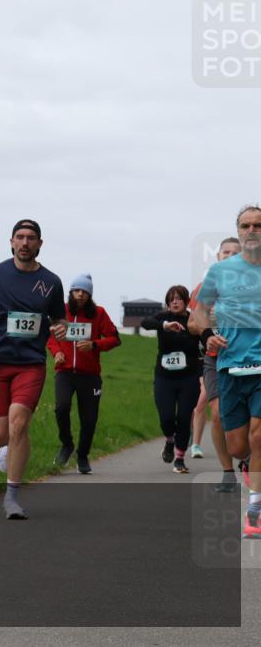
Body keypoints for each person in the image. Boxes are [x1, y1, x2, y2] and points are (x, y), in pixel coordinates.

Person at [0, 219, 67, 519]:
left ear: (40, 244)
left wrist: (60, 329)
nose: (25, 243)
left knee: (19, 423)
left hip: (30, 364)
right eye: (20, 237)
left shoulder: (51, 281)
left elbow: (59, 320)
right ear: (11, 242)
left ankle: (11, 497)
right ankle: (8, 447)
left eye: (31, 238)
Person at [190, 204, 261, 539]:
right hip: (230, 366)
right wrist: (207, 335)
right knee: (237, 446)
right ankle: (245, 465)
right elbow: (199, 313)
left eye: (258, 226)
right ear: (238, 228)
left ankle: (254, 511)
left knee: (258, 437)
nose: (251, 231)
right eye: (245, 225)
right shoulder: (220, 273)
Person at [45, 274, 121, 474]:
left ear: (90, 295)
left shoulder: (98, 313)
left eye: (85, 292)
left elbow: (115, 339)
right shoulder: (59, 311)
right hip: (65, 372)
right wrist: (57, 352)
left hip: (90, 375)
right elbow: (50, 336)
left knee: (89, 419)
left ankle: (82, 456)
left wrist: (94, 344)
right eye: (77, 290)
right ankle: (67, 444)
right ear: (70, 291)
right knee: (61, 408)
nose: (80, 295)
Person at [189, 237, 242, 491]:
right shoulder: (205, 287)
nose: (230, 256)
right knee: (219, 415)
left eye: (236, 253)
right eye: (225, 252)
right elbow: (191, 324)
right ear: (218, 257)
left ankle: (249, 458)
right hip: (214, 360)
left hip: (249, 359)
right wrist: (207, 333)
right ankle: (228, 472)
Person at [142, 286, 203, 474]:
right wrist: (164, 325)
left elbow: (205, 336)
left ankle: (179, 458)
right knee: (166, 417)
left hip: (189, 378)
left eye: (178, 298)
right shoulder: (162, 317)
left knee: (184, 418)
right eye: (171, 299)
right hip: (165, 378)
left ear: (186, 301)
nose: (174, 302)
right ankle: (169, 440)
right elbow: (145, 322)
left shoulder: (192, 320)